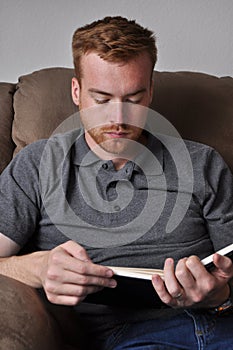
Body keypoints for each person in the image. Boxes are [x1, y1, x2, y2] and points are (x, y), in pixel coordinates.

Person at [0, 16, 233, 350]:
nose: (118, 118)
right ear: (76, 92)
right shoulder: (39, 164)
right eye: (102, 99)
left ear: (150, 92)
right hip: (128, 338)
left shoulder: (203, 163)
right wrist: (36, 268)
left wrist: (220, 296)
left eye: (134, 99)